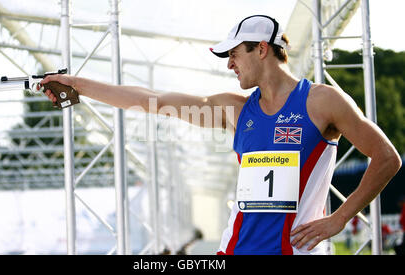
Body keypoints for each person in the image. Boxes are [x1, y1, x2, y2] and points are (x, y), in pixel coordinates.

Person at [40, 15, 402, 255]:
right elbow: (149, 101)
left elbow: (387, 157)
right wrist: (78, 85)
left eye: (234, 54)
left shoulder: (323, 101)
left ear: (262, 49)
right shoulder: (235, 108)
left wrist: (340, 218)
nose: (229, 64)